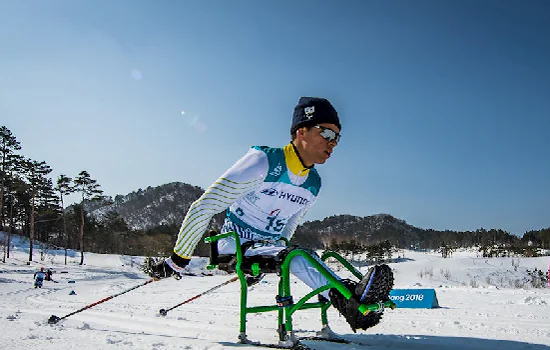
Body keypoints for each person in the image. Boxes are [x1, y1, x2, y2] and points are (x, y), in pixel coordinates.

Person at [148, 97, 394, 331]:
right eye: (327, 133)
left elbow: (289, 225)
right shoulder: (263, 161)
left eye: (337, 138)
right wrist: (178, 260)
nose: (333, 143)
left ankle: (351, 298)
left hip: (270, 248)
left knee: (299, 255)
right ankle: (350, 303)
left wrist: (276, 253)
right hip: (235, 245)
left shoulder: (313, 183)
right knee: (298, 256)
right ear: (302, 131)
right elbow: (204, 207)